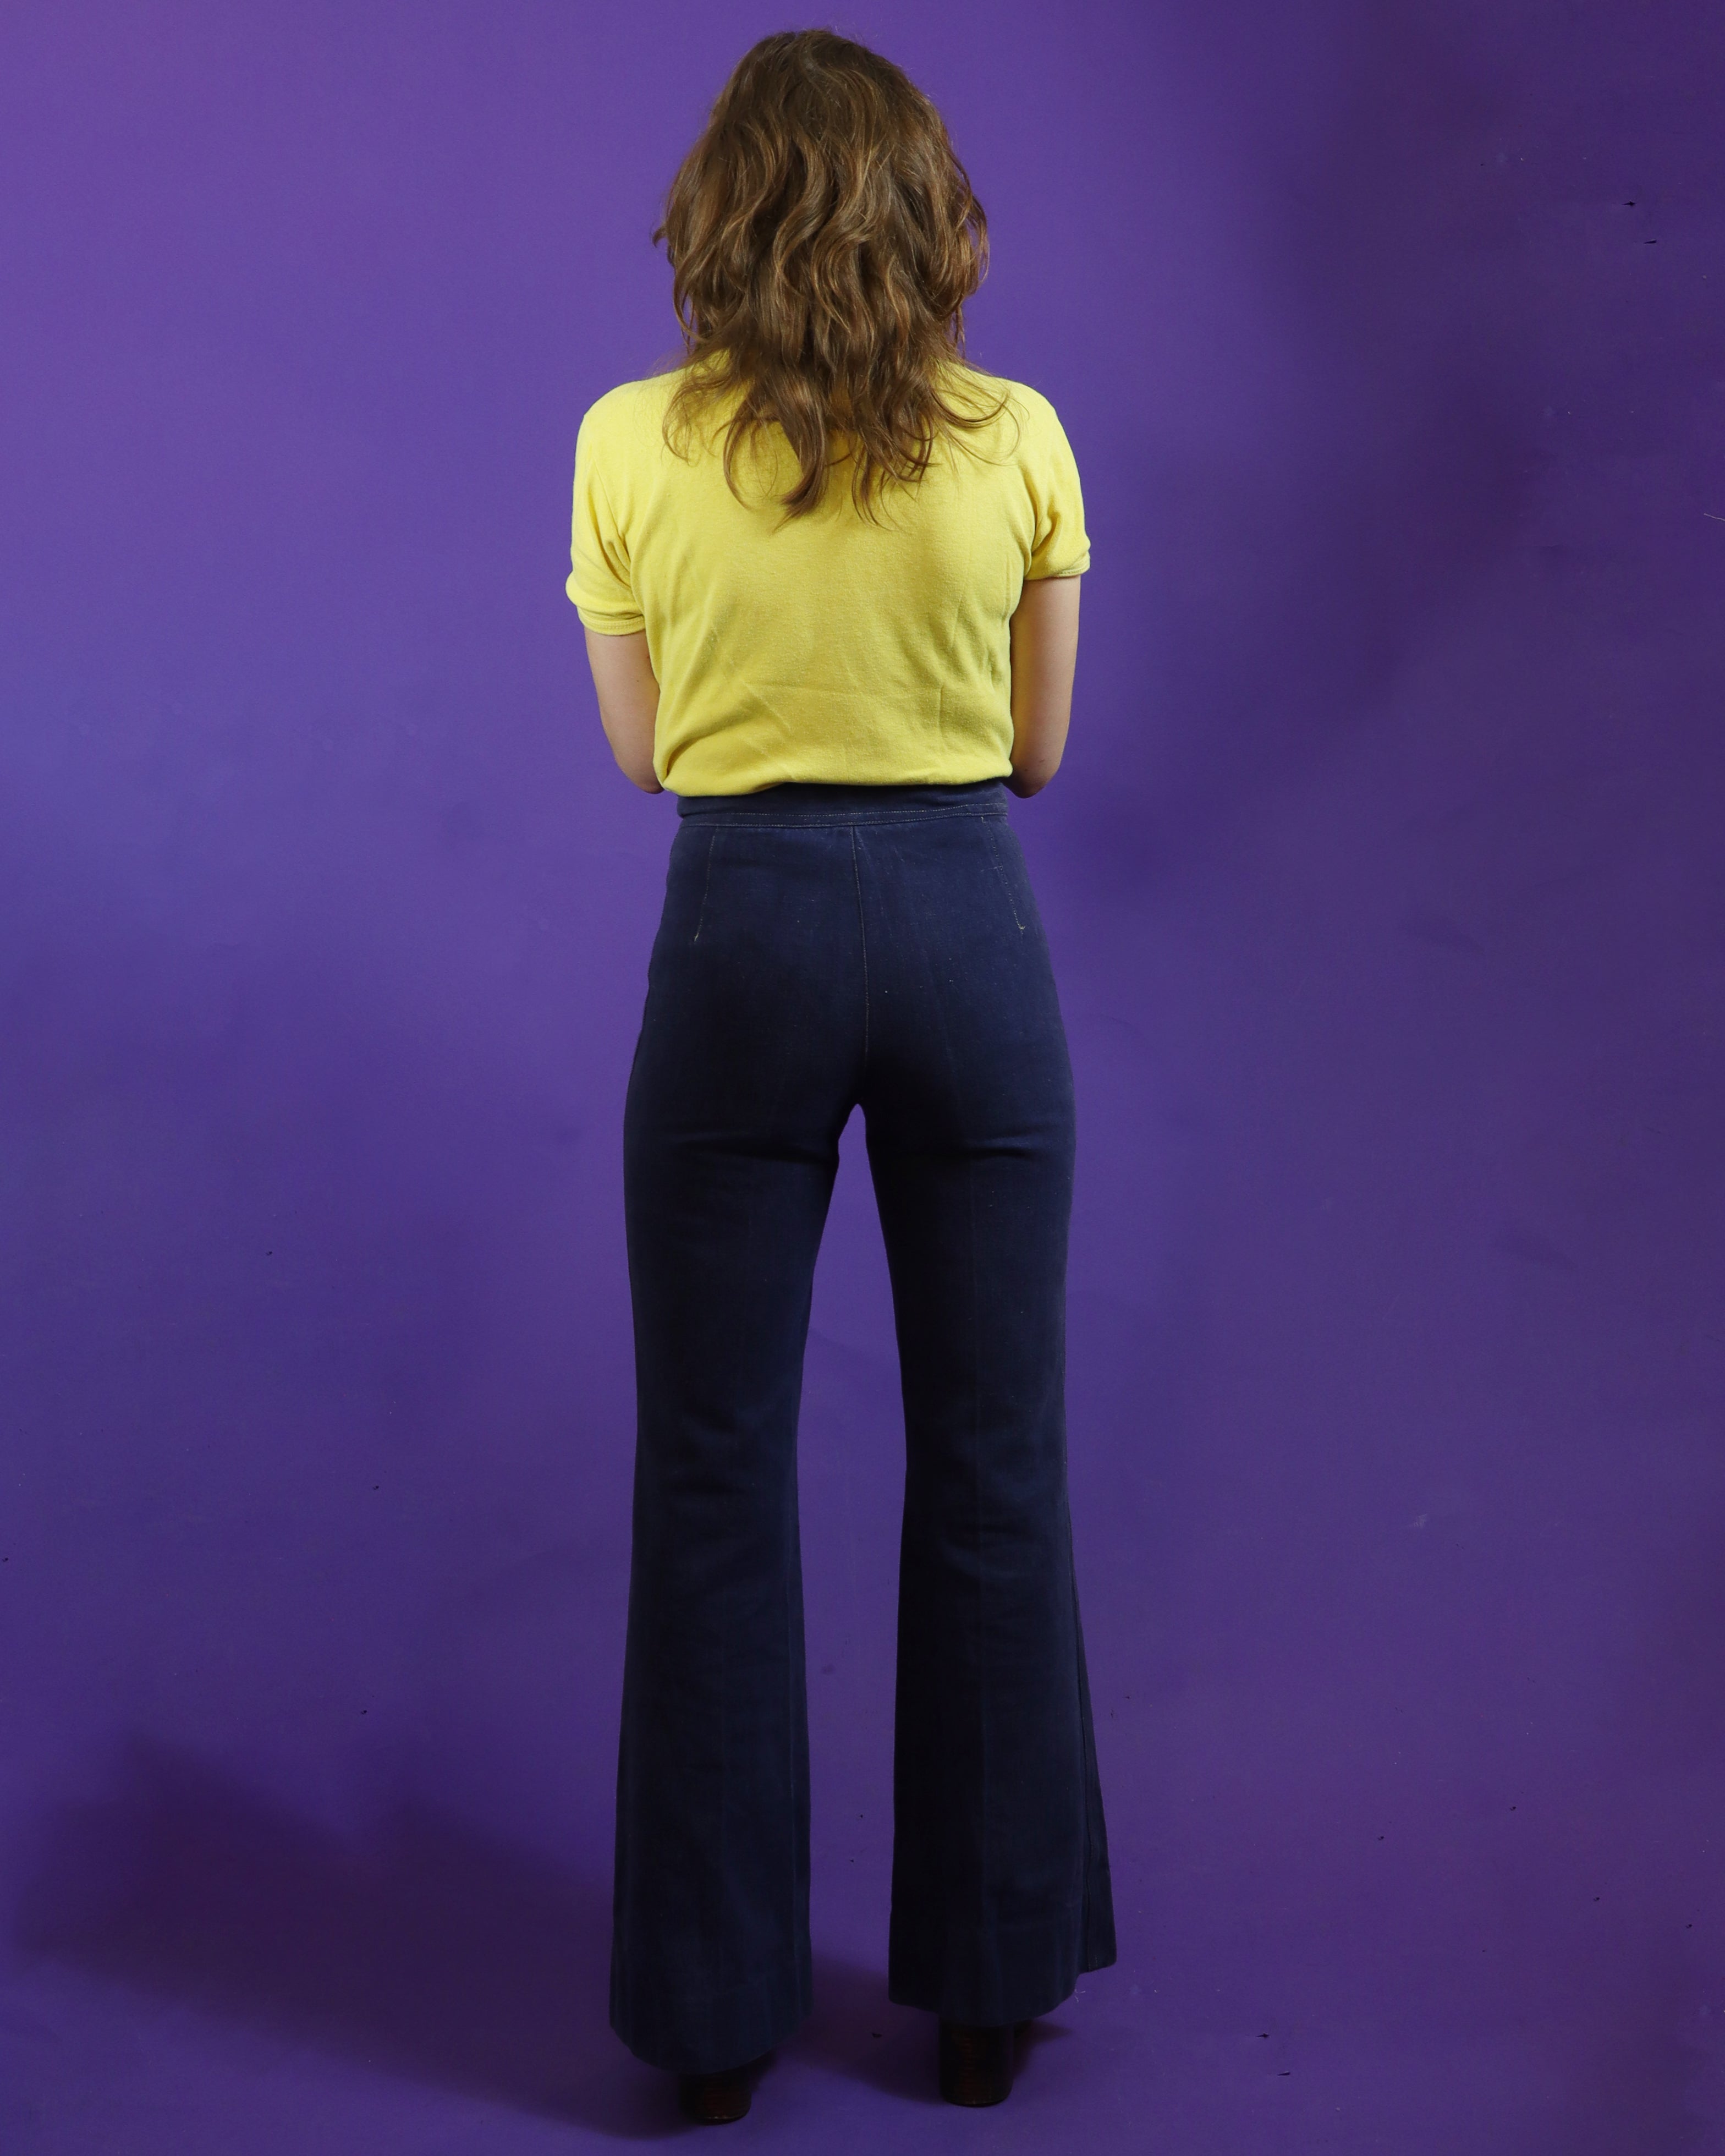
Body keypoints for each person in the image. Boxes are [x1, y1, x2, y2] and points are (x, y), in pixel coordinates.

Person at [565, 29, 1116, 2125]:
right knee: (993, 1459)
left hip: (740, 939)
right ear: (928, 214)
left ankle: (713, 2026)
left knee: (713, 1468)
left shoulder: (627, 441)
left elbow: (647, 758)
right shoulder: (1021, 438)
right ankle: (985, 1997)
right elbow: (1036, 754)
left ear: (720, 219)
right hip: (970, 940)